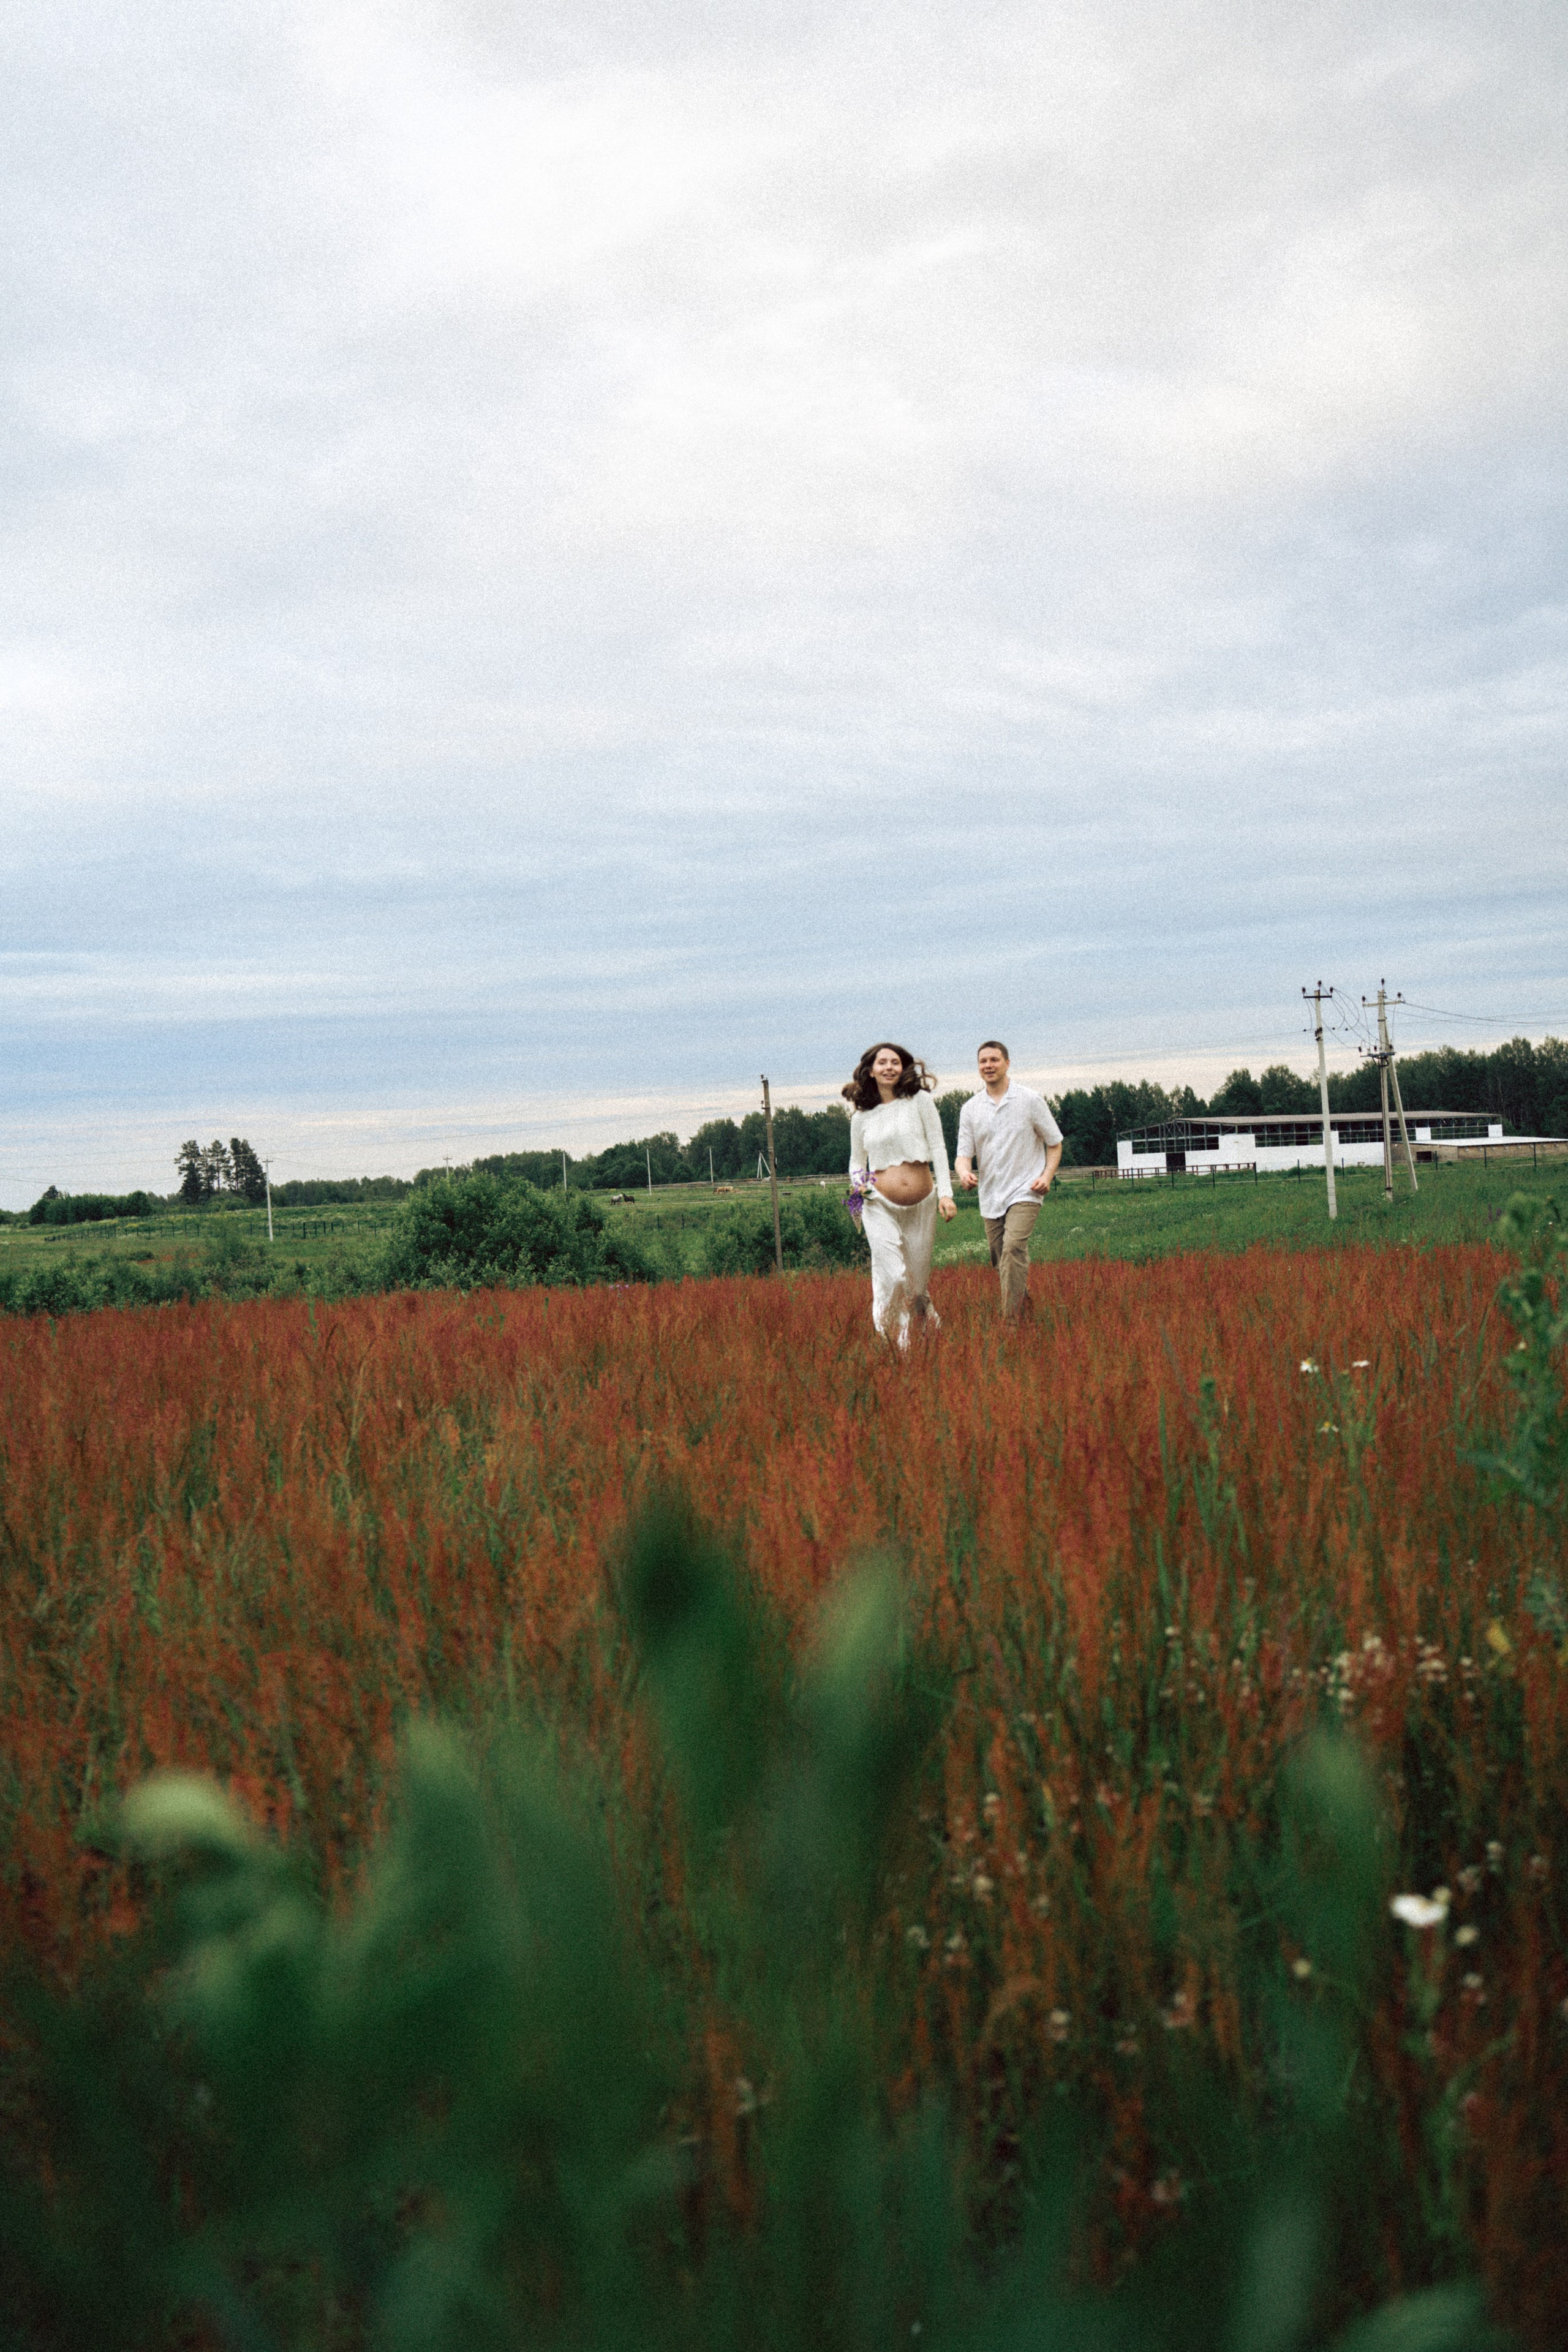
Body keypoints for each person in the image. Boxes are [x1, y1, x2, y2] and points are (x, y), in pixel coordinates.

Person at [844, 1042, 956, 1349]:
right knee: (892, 1276)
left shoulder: (919, 1101)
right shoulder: (861, 1117)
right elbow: (856, 1162)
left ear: (903, 1067)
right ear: (871, 1070)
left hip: (923, 1204)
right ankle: (896, 1342)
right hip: (878, 1205)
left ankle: (925, 1325)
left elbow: (939, 1148)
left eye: (895, 1062)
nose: (889, 1067)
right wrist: (859, 1183)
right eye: (883, 1063)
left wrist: (946, 1194)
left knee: (917, 1286)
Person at [954, 1039, 1063, 1319]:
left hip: (1026, 1190)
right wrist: (964, 1173)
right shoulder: (971, 1108)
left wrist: (1047, 1176)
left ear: (1007, 1063)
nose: (988, 1065)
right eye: (983, 1061)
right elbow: (963, 1155)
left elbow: (1055, 1143)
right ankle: (1024, 1306)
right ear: (978, 1067)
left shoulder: (1030, 1100)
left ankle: (1010, 1324)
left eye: (994, 1060)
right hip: (991, 1195)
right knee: (1000, 1257)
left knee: (1013, 1249)